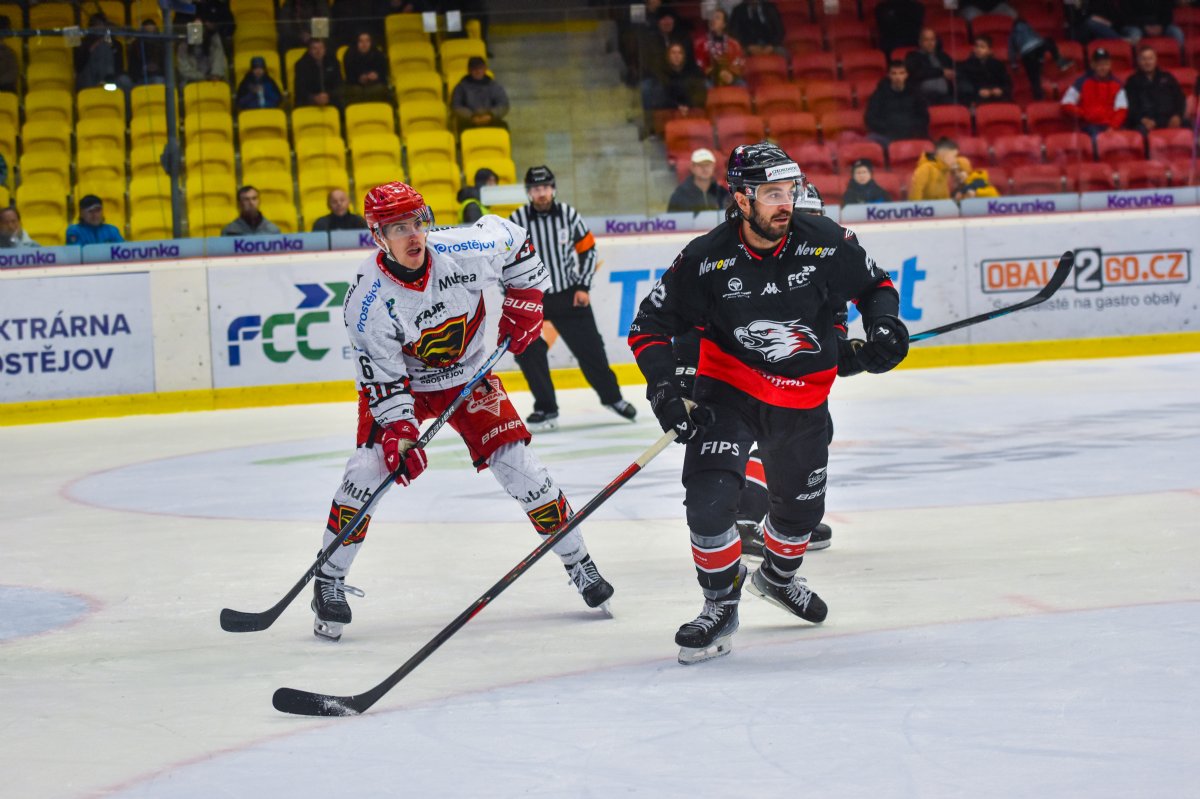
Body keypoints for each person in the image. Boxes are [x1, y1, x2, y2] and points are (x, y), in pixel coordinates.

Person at [627, 142, 907, 664]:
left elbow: (876, 286)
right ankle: (719, 606)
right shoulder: (706, 257)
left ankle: (778, 578)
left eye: (790, 191)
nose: (786, 203)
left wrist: (884, 325)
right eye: (772, 194)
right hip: (728, 393)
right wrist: (666, 391)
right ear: (741, 198)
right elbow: (649, 327)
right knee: (708, 502)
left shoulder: (825, 241)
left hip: (803, 400)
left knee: (801, 515)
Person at [309, 181, 615, 641]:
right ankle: (329, 579)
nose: (414, 235)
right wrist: (400, 432)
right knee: (367, 471)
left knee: (523, 469)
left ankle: (580, 563)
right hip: (405, 386)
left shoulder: (463, 247)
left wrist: (526, 301)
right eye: (398, 228)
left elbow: (516, 242)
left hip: (468, 374)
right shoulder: (366, 300)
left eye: (418, 223)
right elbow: (384, 378)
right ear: (378, 236)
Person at [509, 166, 637, 432]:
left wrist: (583, 286)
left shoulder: (568, 215)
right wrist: (515, 296)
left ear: (553, 189)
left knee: (592, 349)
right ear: (529, 192)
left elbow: (588, 250)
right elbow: (505, 261)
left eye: (545, 188)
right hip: (533, 297)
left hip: (569, 294)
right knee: (528, 351)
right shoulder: (516, 221)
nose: (541, 193)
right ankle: (546, 407)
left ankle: (613, 398)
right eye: (536, 189)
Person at [1061, 48, 1128, 145]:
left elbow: (1121, 110)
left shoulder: (1117, 84)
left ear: (1110, 65)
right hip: (1090, 126)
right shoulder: (1081, 82)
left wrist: (1112, 127)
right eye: (1099, 64)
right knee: (1097, 140)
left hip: (1110, 126)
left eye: (1105, 64)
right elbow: (1066, 103)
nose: (1103, 68)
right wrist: (1084, 113)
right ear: (1093, 65)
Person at [865, 61, 930, 146]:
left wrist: (910, 128)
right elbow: (871, 118)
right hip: (886, 135)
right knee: (870, 141)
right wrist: (889, 128)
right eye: (894, 73)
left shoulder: (916, 94)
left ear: (906, 75)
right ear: (889, 75)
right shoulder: (879, 94)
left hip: (911, 134)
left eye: (901, 73)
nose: (898, 77)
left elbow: (924, 117)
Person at [1008, 17, 1074, 101]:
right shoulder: (1027, 26)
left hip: (1026, 54)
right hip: (1038, 47)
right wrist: (1041, 54)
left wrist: (1014, 65)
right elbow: (1037, 37)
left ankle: (1038, 98)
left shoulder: (1012, 34)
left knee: (1033, 78)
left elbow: (1012, 51)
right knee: (1049, 41)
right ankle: (1059, 61)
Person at [1124, 46, 1184, 134]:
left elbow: (1180, 99)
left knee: (1189, 127)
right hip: (1144, 123)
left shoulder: (1167, 77)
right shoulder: (1132, 81)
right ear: (1138, 61)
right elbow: (1129, 106)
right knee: (1140, 130)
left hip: (1168, 120)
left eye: (1150, 59)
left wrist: (1177, 115)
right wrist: (1141, 119)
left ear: (1156, 60)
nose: (1147, 62)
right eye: (1144, 59)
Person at [450, 56, 510, 130]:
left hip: (491, 119)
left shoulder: (494, 86)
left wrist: (491, 115)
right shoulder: (461, 87)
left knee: (503, 127)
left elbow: (503, 104)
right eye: (474, 69)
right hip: (468, 121)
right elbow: (456, 106)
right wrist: (471, 116)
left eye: (480, 68)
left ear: (485, 69)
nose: (477, 71)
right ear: (469, 70)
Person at [667, 148, 732, 213]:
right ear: (692, 168)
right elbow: (673, 217)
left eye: (708, 164)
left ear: (713, 166)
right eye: (700, 165)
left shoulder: (722, 193)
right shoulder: (680, 195)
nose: (705, 168)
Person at [909, 138, 975, 201]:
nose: (955, 160)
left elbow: (963, 162)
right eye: (954, 156)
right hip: (926, 208)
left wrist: (964, 180)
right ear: (944, 155)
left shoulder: (945, 170)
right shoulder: (925, 169)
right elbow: (915, 196)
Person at [75, 14, 129, 90]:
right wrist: (95, 46)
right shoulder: (83, 42)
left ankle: (108, 79)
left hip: (111, 77)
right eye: (96, 24)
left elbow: (119, 66)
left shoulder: (116, 44)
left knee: (125, 81)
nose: (99, 28)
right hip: (89, 76)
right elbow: (79, 66)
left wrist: (111, 46)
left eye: (102, 25)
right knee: (102, 47)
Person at [692, 9, 744, 87]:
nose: (713, 20)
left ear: (724, 24)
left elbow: (739, 63)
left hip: (730, 76)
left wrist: (730, 74)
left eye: (717, 18)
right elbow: (699, 66)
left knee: (742, 84)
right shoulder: (700, 43)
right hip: (709, 78)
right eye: (711, 18)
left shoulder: (734, 44)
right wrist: (715, 72)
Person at [905, 28, 956, 105]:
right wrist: (941, 72)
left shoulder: (942, 56)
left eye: (932, 40)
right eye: (926, 40)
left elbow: (955, 67)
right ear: (920, 42)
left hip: (945, 97)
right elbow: (917, 72)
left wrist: (952, 73)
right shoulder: (913, 56)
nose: (930, 43)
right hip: (923, 98)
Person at [957, 35, 1011, 105]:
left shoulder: (998, 65)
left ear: (990, 51)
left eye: (982, 47)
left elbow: (1007, 83)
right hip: (975, 97)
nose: (978, 49)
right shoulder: (966, 65)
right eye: (976, 46)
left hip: (996, 97)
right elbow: (963, 84)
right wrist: (978, 91)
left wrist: (1001, 90)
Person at [342, 31, 390, 106]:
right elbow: (348, 76)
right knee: (355, 91)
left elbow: (384, 74)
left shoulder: (378, 54)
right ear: (356, 43)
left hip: (374, 84)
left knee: (380, 89)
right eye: (361, 41)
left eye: (367, 41)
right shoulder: (349, 55)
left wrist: (377, 76)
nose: (364, 44)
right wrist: (359, 79)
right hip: (355, 85)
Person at [176, 17, 227, 86]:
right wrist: (203, 77)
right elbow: (184, 69)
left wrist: (215, 74)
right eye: (194, 27)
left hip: (213, 79)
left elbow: (218, 58)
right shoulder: (183, 45)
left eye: (199, 27)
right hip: (191, 81)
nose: (196, 30)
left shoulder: (213, 39)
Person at [293, 38, 343, 108]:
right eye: (314, 48)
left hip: (330, 98)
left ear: (325, 49)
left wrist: (328, 95)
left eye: (321, 48)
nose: (318, 51)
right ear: (309, 51)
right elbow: (300, 89)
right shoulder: (301, 65)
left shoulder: (333, 62)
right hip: (309, 100)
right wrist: (314, 98)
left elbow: (338, 83)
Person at [128, 19, 168, 85]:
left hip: (158, 76)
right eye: (147, 32)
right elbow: (132, 67)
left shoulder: (161, 45)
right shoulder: (136, 45)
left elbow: (166, 66)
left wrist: (157, 68)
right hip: (139, 78)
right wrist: (143, 68)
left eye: (152, 33)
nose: (150, 35)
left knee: (158, 80)